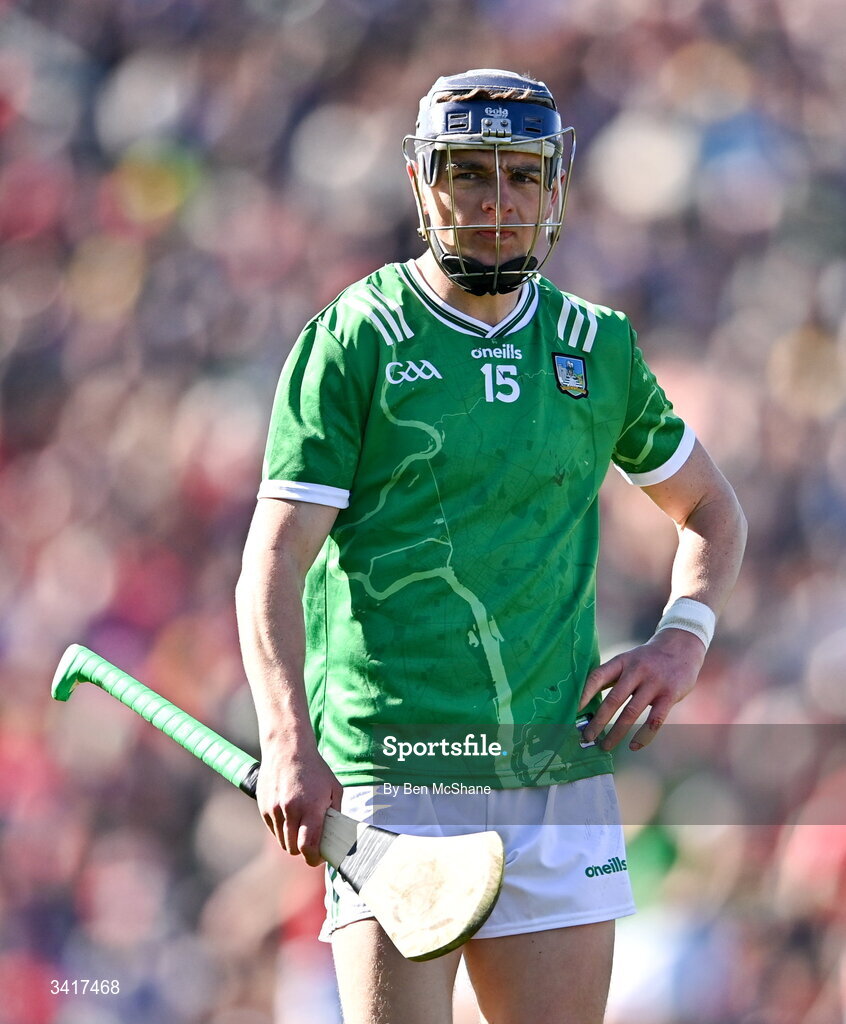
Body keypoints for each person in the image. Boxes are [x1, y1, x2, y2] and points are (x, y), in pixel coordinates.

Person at [235, 68, 747, 1024]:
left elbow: (714, 512)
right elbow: (273, 559)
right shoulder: (356, 339)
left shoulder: (595, 345)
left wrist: (684, 635)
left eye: (520, 177)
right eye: (468, 175)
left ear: (557, 190)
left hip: (554, 776)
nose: (495, 202)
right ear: (423, 184)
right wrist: (285, 738)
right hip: (397, 773)